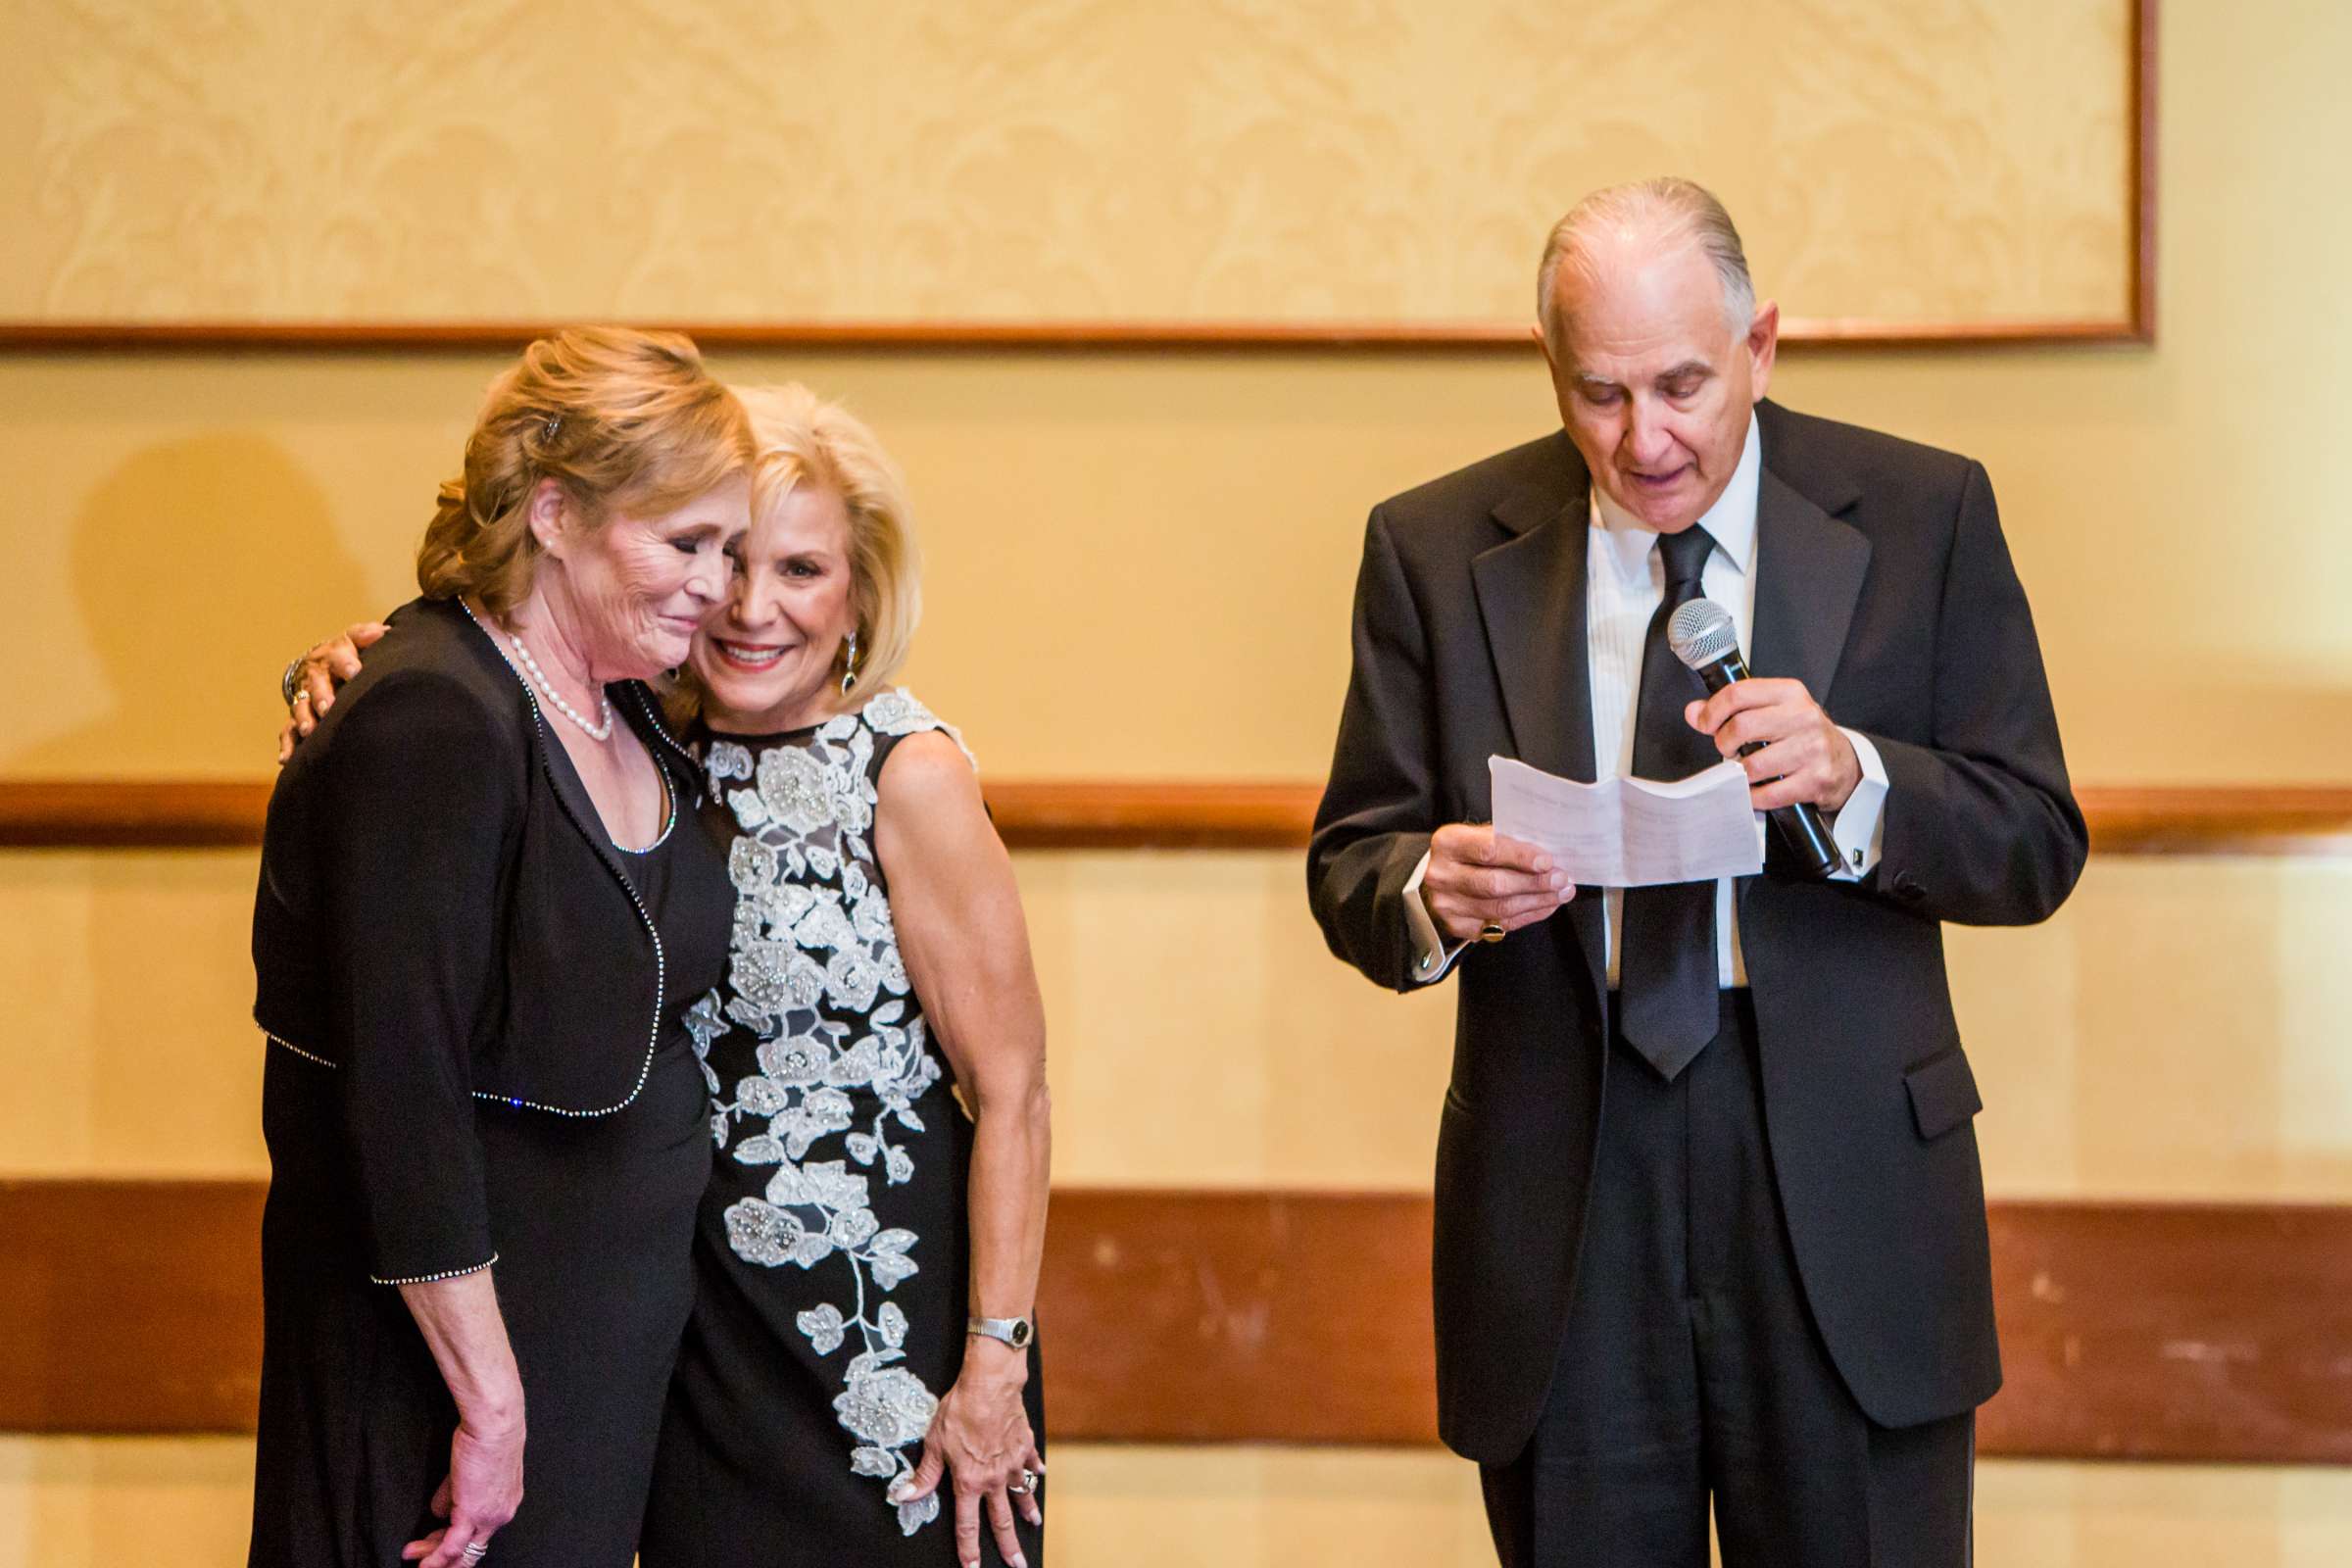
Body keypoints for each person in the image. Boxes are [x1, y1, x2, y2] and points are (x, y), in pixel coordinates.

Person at [1305, 177, 2085, 1566]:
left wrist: (1860, 773)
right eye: (1599, 394)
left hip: (1842, 1184)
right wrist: (1433, 893)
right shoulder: (1431, 546)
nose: (1645, 439)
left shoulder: (1922, 514)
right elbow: (1353, 859)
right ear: (1552, 370)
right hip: (1566, 1184)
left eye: (1681, 385)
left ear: (1761, 347)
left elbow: (2035, 838)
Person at [284, 383, 1051, 1568]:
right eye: (721, 556)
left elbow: (1013, 1093)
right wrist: (338, 659)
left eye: (799, 570)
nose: (746, 605)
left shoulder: (909, 773)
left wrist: (994, 1365)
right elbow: (481, 695)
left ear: (861, 589)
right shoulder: (630, 726)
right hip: (685, 1345)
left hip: (877, 1338)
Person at [250, 325, 754, 1568]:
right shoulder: (435, 707)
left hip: (600, 1353)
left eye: (729, 549)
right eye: (685, 542)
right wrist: (491, 1401)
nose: (719, 584)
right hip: (451, 1376)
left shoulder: (635, 700)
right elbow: (401, 1084)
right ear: (553, 512)